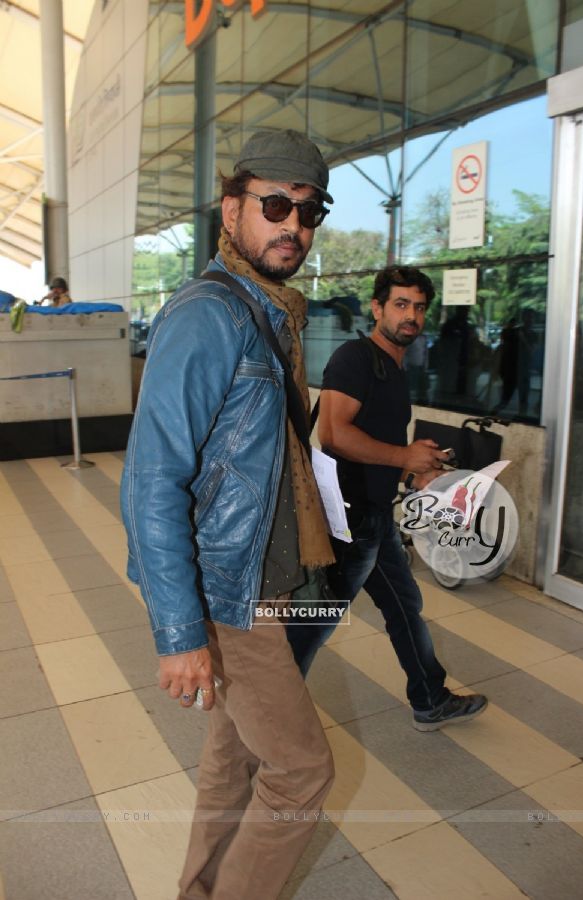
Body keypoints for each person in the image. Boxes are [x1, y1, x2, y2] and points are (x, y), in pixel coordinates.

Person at [121, 129, 336, 900]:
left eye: (309, 212)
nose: (293, 226)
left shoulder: (266, 311)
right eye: (275, 205)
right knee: (302, 772)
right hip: (224, 594)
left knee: (233, 760)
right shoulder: (209, 315)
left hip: (258, 581)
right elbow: (151, 480)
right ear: (233, 207)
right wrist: (179, 634)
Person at [287, 266, 488, 731]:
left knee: (403, 605)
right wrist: (402, 455)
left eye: (419, 307)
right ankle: (269, 717)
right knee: (313, 622)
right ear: (377, 308)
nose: (411, 316)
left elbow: (375, 441)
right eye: (400, 304)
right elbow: (335, 434)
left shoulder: (394, 366)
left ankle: (429, 698)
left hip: (375, 515)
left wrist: (413, 467)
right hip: (350, 520)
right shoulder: (356, 358)